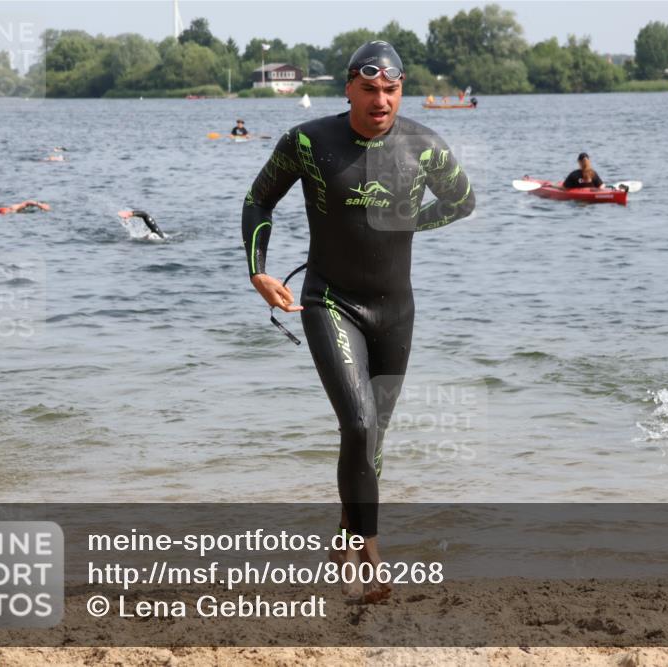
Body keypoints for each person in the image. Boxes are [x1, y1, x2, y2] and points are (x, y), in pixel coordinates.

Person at [241, 40, 475, 603]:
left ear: (401, 91)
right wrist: (259, 273)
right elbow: (258, 201)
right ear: (348, 88)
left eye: (390, 90)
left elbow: (462, 201)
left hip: (396, 311)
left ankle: (342, 544)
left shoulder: (424, 146)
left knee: (372, 441)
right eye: (369, 89)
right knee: (359, 425)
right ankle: (369, 556)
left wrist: (408, 221)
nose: (380, 101)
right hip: (330, 302)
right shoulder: (308, 142)